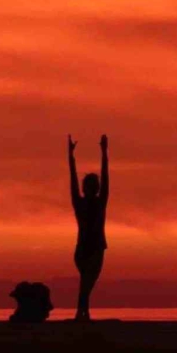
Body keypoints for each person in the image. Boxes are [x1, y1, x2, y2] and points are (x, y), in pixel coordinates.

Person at [67, 134, 108, 321]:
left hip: (89, 247)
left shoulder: (95, 202)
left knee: (86, 282)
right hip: (89, 248)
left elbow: (105, 179)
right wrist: (71, 157)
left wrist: (104, 153)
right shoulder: (88, 202)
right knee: (87, 282)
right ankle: (81, 313)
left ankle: (83, 312)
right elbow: (73, 182)